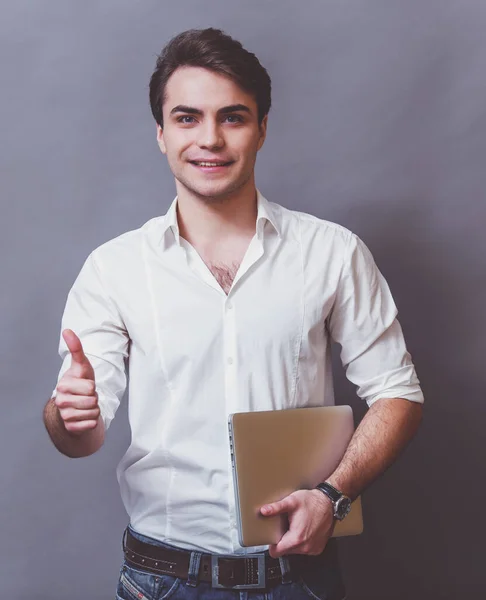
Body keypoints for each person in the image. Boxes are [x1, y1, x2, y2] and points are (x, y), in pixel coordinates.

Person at [43, 27, 424, 600]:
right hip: (161, 579)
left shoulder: (332, 252)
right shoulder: (113, 268)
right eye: (188, 118)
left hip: (298, 578)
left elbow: (398, 393)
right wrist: (66, 414)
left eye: (233, 117)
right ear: (161, 133)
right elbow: (81, 438)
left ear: (262, 129)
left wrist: (332, 496)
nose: (210, 140)